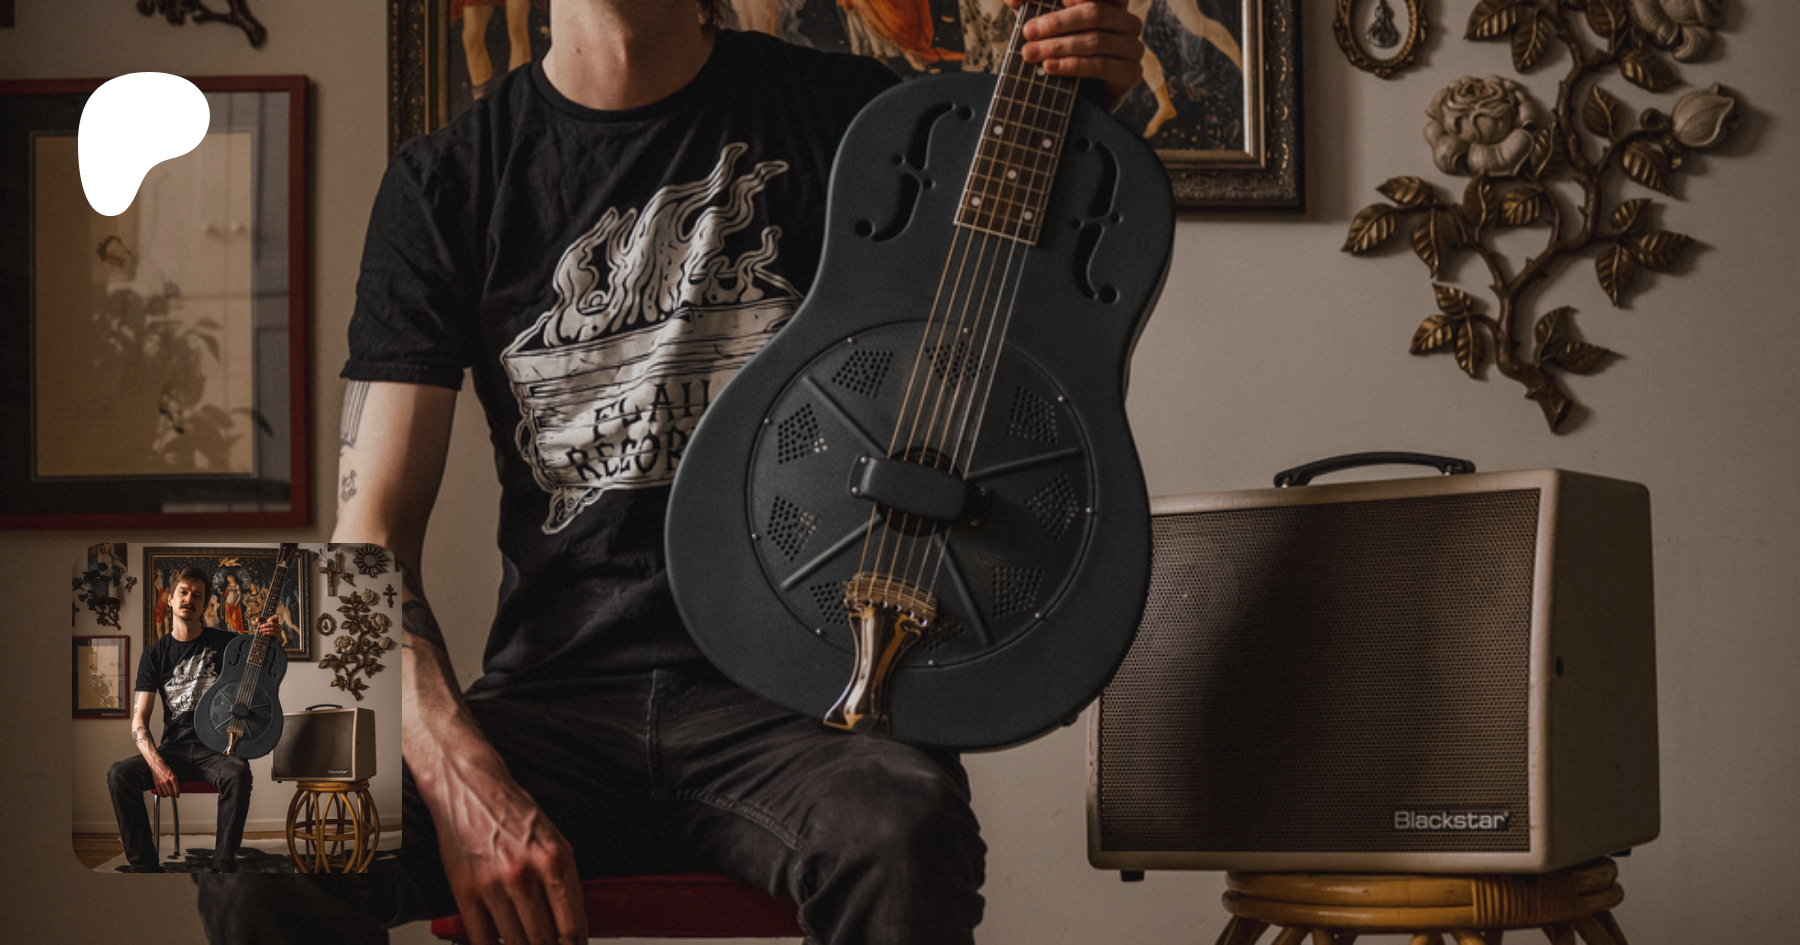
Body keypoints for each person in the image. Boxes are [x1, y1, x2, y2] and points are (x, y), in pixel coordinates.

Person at [199, 1, 1144, 942]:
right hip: (551, 706)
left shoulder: (856, 118)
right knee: (255, 845)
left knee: (902, 832)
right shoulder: (446, 180)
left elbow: (1016, 353)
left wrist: (1080, 119)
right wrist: (461, 776)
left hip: (800, 714)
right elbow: (366, 547)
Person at [107, 567, 283, 873]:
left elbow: (264, 667)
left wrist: (272, 640)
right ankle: (145, 867)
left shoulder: (228, 645)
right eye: (184, 592)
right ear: (170, 599)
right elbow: (139, 720)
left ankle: (223, 868)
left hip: (216, 751)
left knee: (238, 772)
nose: (189, 599)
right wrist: (157, 765)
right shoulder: (154, 655)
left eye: (198, 595)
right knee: (119, 773)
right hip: (172, 750)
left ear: (205, 606)